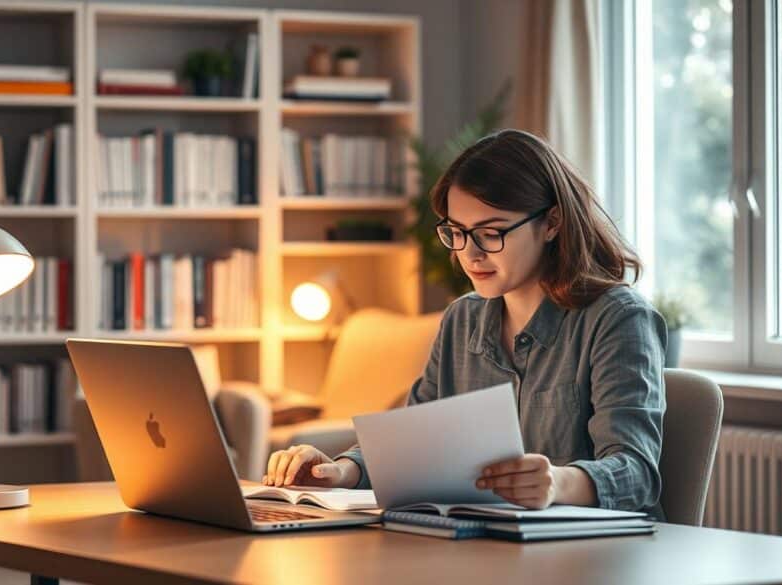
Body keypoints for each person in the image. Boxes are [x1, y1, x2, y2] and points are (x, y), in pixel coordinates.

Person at [263, 129, 667, 518]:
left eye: (491, 233)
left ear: (552, 223)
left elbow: (637, 474)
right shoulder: (462, 319)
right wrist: (338, 471)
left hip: (593, 558)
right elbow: (412, 440)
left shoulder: (617, 319)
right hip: (487, 548)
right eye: (457, 232)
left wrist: (558, 483)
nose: (469, 254)